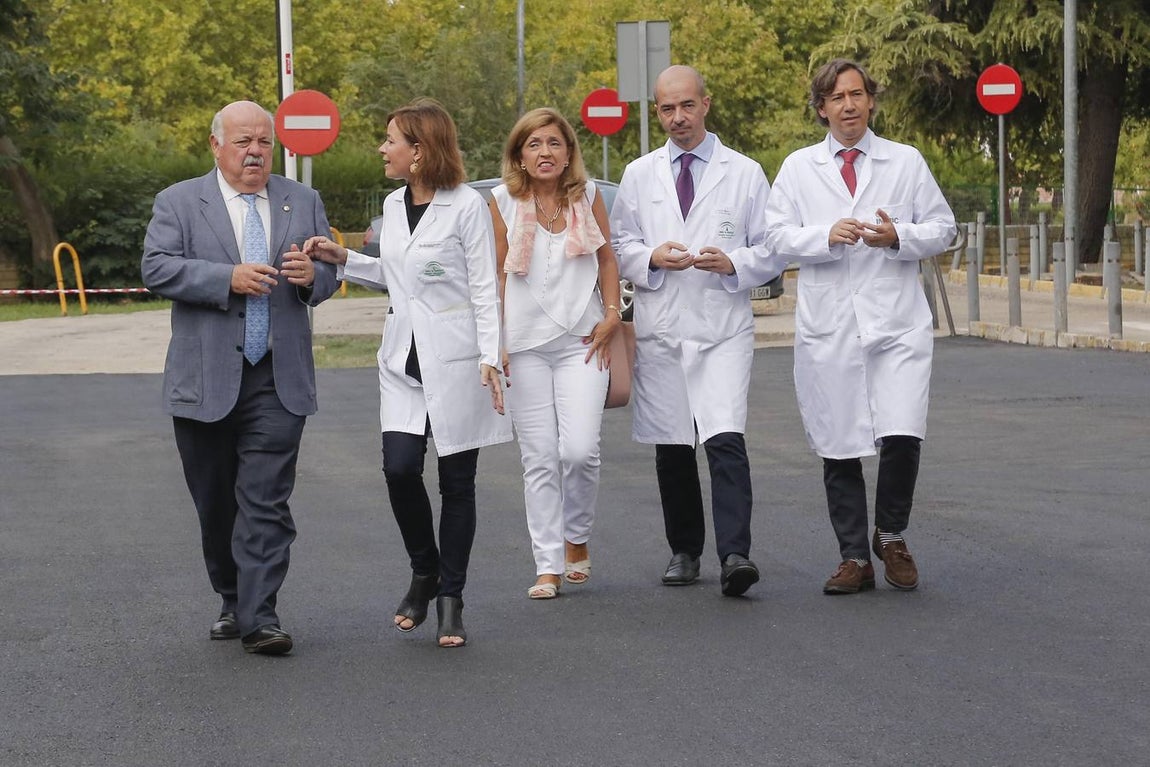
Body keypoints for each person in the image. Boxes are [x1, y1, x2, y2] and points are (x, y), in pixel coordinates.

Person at [306, 98, 510, 647]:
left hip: (459, 359)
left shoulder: (467, 206)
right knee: (399, 471)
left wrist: (491, 356)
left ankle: (451, 600)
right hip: (403, 361)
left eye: (391, 139)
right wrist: (344, 258)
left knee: (457, 484)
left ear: (419, 151)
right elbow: (400, 276)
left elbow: (484, 287)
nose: (382, 148)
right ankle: (426, 570)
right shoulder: (394, 205)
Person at [141, 100, 340, 655]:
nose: (255, 152)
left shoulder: (302, 200)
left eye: (264, 142)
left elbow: (329, 273)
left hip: (278, 377)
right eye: (243, 142)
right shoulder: (179, 202)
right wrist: (225, 277)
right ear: (215, 145)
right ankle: (231, 597)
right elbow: (156, 267)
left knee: (265, 501)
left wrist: (312, 276)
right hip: (204, 379)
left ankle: (260, 617)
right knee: (216, 503)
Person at [763, 59, 957, 594]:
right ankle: (853, 558)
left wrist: (898, 236)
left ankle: (890, 535)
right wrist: (824, 235)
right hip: (831, 327)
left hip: (896, 324)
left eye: (856, 94)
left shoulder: (905, 161)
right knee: (839, 440)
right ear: (821, 109)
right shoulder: (799, 168)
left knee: (903, 430)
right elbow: (774, 237)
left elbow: (944, 228)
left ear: (870, 101)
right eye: (836, 97)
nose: (848, 105)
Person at [611, 65, 783, 597]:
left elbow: (771, 247)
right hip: (663, 327)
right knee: (672, 445)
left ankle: (735, 555)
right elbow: (619, 245)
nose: (678, 117)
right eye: (667, 108)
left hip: (721, 327)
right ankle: (684, 550)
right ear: (657, 112)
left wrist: (734, 263)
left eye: (687, 105)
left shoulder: (745, 173)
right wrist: (651, 257)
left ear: (706, 104)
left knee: (725, 437)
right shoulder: (639, 174)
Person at [489, 108, 622, 600]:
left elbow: (607, 259)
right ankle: (547, 565)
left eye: (553, 143)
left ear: (568, 153)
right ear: (519, 156)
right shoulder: (500, 201)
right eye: (533, 144)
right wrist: (495, 342)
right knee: (540, 458)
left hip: (584, 341)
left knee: (579, 451)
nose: (544, 152)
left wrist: (612, 314)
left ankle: (576, 536)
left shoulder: (588, 196)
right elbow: (495, 275)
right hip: (524, 347)